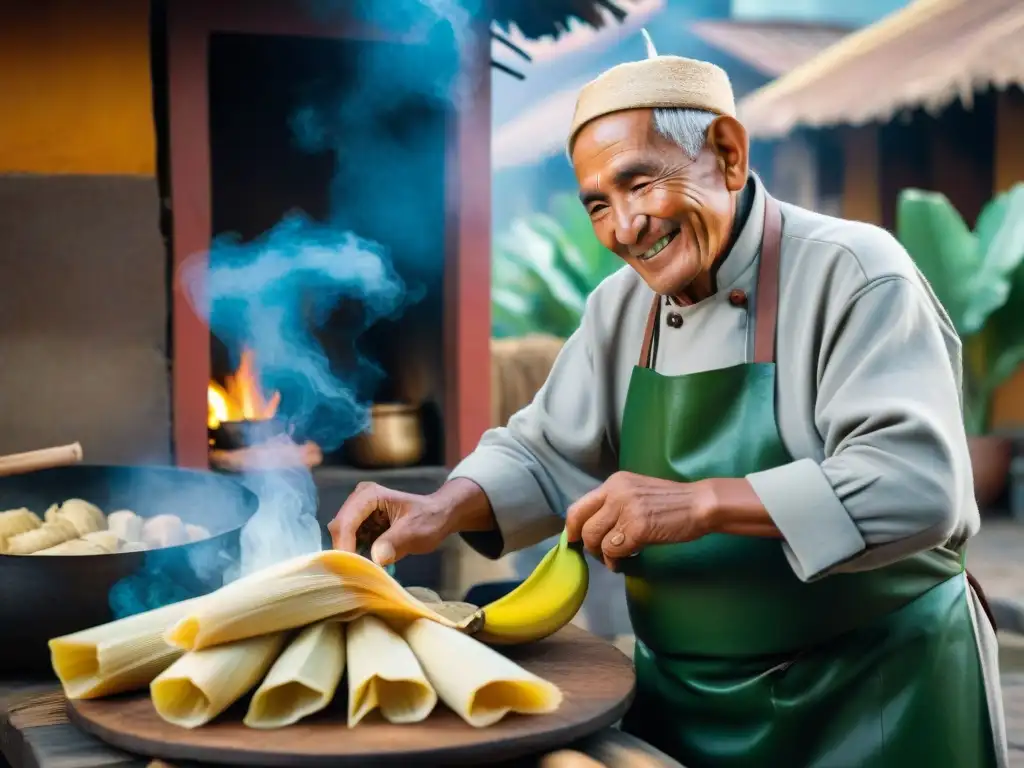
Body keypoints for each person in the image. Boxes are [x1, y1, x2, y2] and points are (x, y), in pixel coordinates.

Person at [330, 39, 1008, 768]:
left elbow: (918, 485)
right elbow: (545, 449)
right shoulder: (622, 307)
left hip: (874, 696)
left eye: (641, 183)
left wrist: (701, 503)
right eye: (598, 204)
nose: (624, 228)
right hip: (687, 704)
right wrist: (444, 504)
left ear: (727, 153)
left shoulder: (858, 273)